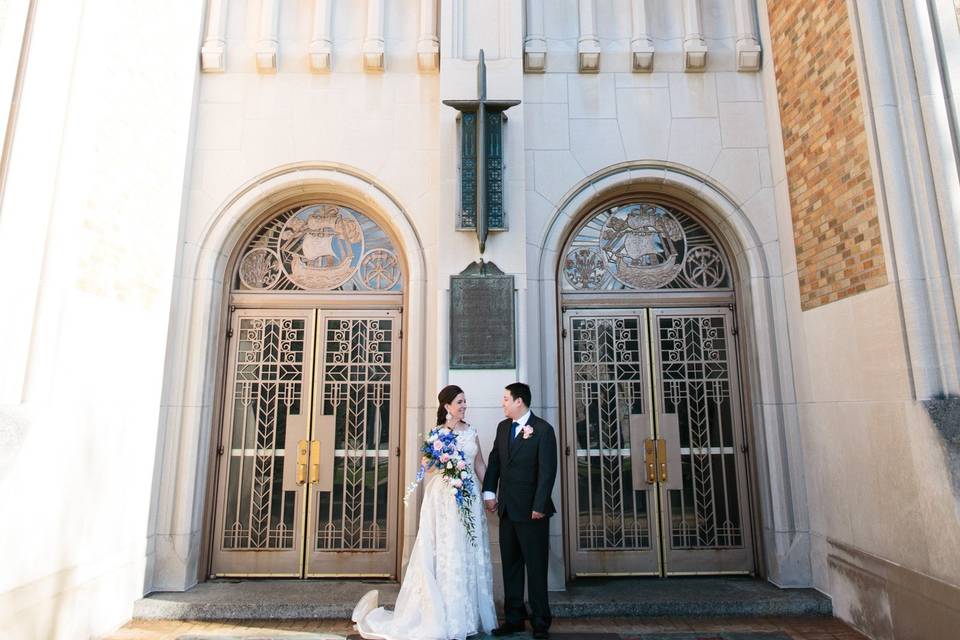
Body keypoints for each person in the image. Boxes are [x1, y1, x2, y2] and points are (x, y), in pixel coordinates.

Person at [351, 385, 497, 640]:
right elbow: (426, 467)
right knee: (447, 551)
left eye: (465, 401)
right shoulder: (438, 433)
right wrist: (441, 454)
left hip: (469, 496)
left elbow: (480, 465)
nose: (464, 406)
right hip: (443, 498)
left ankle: (466, 615)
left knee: (467, 551)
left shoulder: (471, 432)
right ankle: (446, 615)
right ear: (447, 406)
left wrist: (490, 494)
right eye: (459, 402)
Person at [482, 382, 558, 640]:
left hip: (532, 513)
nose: (502, 403)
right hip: (507, 511)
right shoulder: (503, 428)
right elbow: (494, 462)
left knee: (536, 568)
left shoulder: (543, 430)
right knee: (511, 567)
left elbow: (547, 473)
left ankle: (540, 620)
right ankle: (514, 618)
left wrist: (539, 505)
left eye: (505, 399)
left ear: (519, 401)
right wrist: (490, 493)